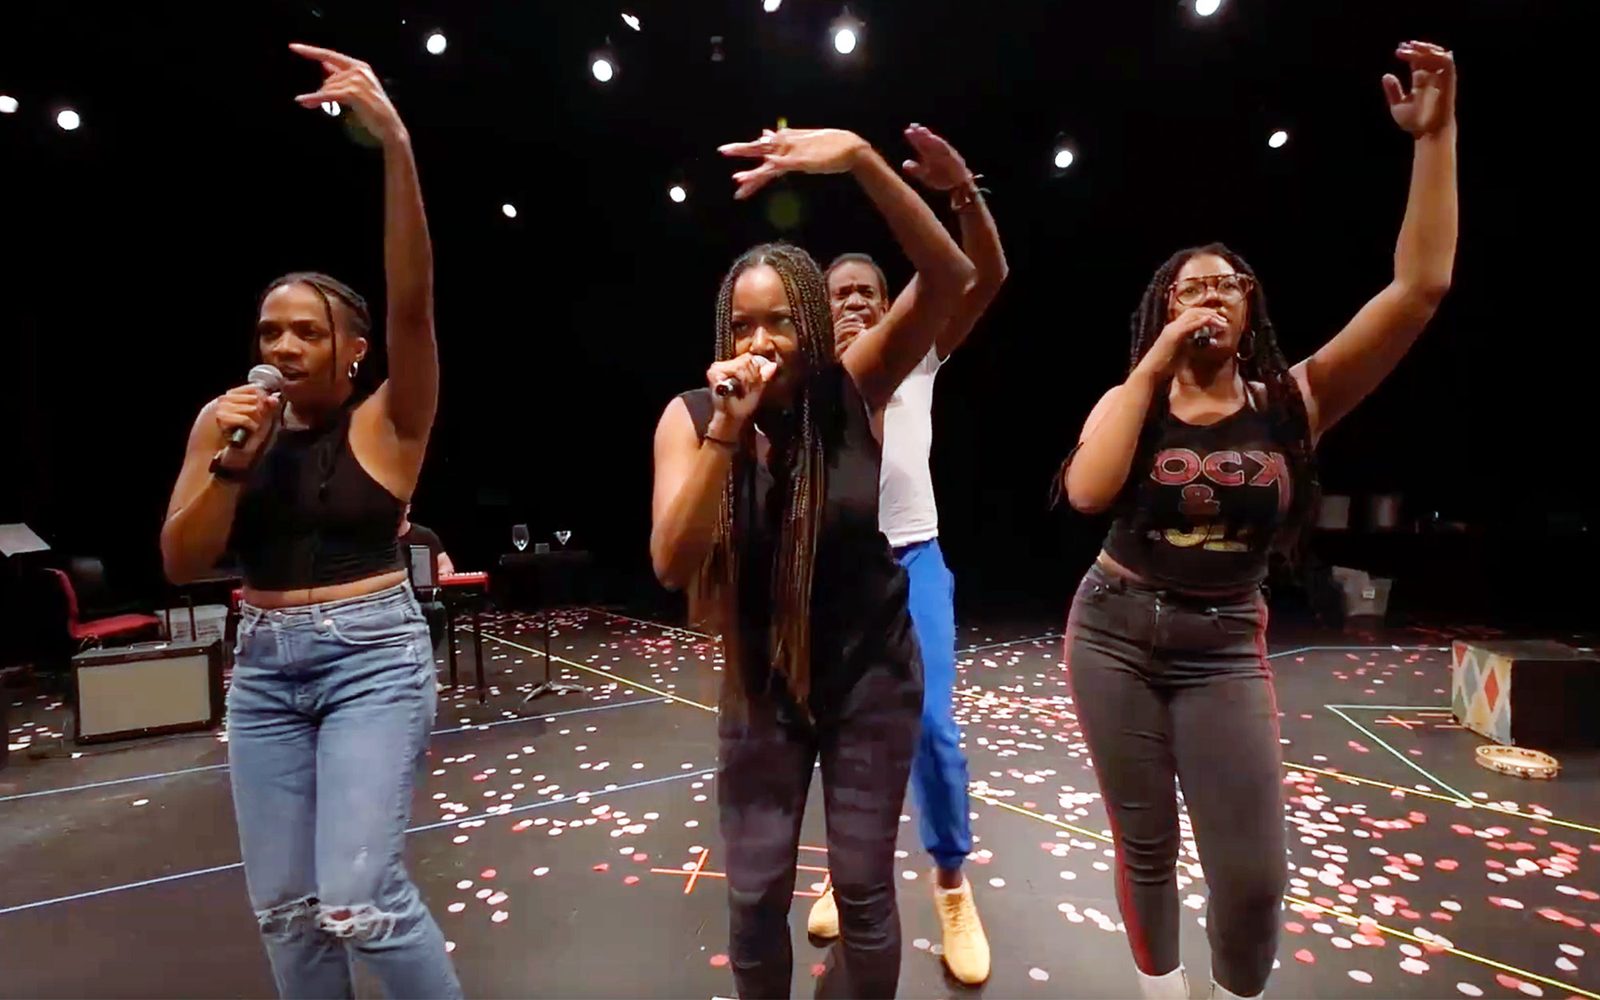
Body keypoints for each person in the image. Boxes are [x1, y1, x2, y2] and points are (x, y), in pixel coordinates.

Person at [1057, 42, 1456, 1000]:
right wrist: (1150, 365)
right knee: (1145, 846)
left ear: (1253, 309)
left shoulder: (1292, 402)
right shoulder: (1132, 399)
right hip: (1114, 631)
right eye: (1188, 286)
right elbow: (1086, 492)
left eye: (1228, 283)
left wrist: (1434, 138)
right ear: (1160, 309)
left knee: (1253, 880)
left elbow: (1419, 291)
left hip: (1224, 644)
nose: (1209, 295)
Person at [160, 44, 459, 999]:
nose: (283, 347)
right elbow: (181, 560)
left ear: (355, 352)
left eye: (306, 331)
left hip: (371, 655)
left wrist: (395, 145)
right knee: (288, 913)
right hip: (263, 672)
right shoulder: (228, 422)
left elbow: (412, 299)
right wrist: (228, 467)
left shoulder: (391, 416)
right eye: (268, 333)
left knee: (360, 897)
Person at [651, 126, 974, 998]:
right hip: (763, 684)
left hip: (871, 674)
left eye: (781, 320)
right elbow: (673, 563)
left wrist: (864, 164)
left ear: (813, 325)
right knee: (755, 896)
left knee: (865, 892)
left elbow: (951, 277)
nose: (762, 339)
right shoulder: (691, 418)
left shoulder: (853, 385)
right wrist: (729, 429)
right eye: (743, 323)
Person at [808, 124, 1008, 986]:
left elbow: (987, 276)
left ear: (892, 301)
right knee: (834, 732)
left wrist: (962, 194)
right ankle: (843, 867)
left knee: (931, 729)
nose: (854, 301)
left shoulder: (918, 353)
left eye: (868, 290)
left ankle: (953, 886)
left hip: (913, 559)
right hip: (830, 574)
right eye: (839, 293)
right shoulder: (804, 373)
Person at [399, 504, 454, 649]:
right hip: (393, 600)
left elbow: (445, 564)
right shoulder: (381, 539)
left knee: (435, 610)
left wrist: (442, 574)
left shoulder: (424, 535)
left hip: (422, 598)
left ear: (408, 508)